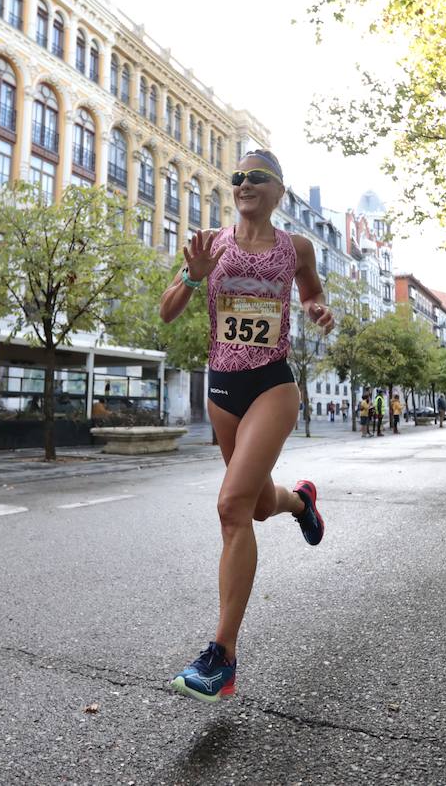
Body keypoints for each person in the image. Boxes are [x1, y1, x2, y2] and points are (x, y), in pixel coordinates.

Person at [158, 149, 333, 702]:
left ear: (279, 191)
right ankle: (301, 501)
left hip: (273, 386)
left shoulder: (296, 248)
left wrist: (316, 310)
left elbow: (310, 292)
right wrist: (193, 275)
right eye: (237, 177)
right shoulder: (209, 242)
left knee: (232, 506)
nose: (243, 183)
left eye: (256, 177)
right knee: (257, 504)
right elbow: (165, 312)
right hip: (222, 391)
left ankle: (222, 658)